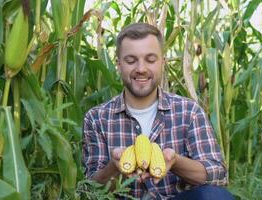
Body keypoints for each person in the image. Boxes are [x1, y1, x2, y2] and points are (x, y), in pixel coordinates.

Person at [82, 23, 234, 199]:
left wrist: (175, 161)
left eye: (150, 59)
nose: (141, 68)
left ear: (163, 62)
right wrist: (115, 167)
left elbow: (218, 175)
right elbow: (90, 189)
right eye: (131, 60)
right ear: (118, 65)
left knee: (215, 197)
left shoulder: (188, 111)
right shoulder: (97, 119)